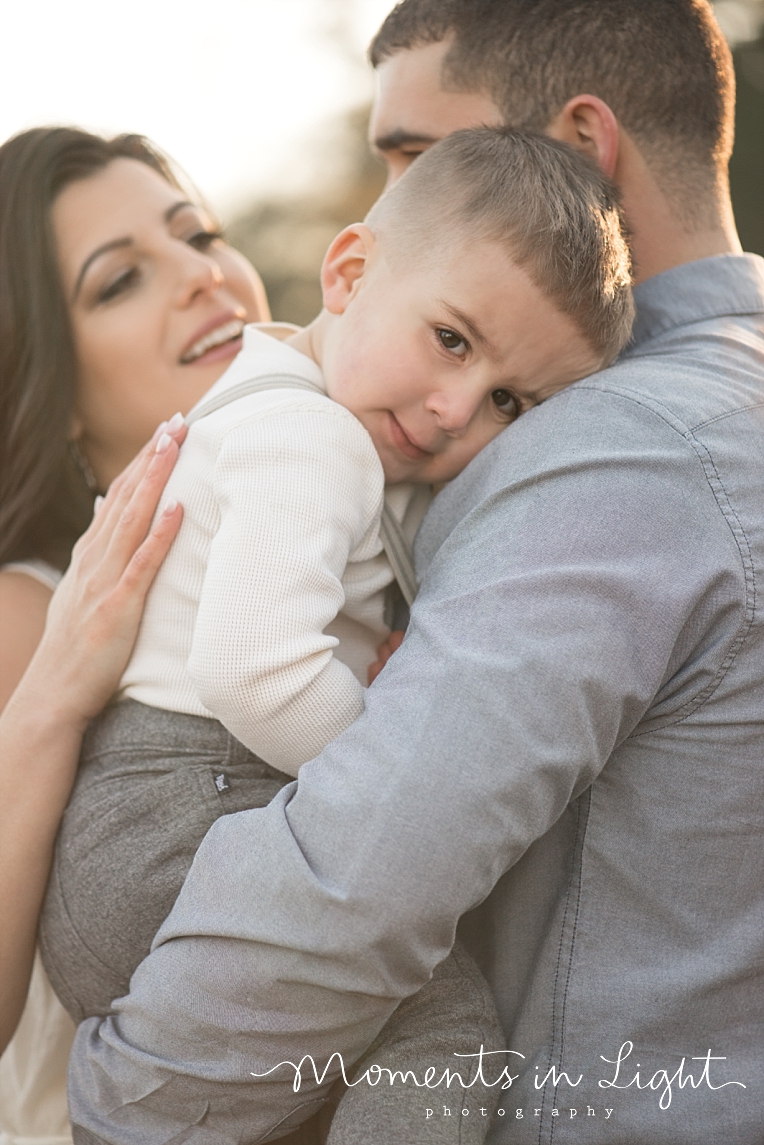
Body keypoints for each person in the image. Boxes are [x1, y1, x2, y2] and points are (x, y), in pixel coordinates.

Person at [62, 0, 764, 1142]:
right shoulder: (700, 399)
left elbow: (363, 866)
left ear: (575, 155)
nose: (385, 197)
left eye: (418, 158)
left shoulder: (623, 444)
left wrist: (109, 1100)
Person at [38, 127, 632, 1145]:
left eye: (507, 400)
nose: (454, 408)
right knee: (446, 1028)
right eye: (449, 338)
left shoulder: (283, 402)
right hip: (184, 807)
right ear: (349, 271)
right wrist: (401, 764)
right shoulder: (314, 438)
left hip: (143, 832)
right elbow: (256, 672)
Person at [0, 126, 268, 1144]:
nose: (203, 276)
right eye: (118, 283)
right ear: (51, 390)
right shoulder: (26, 611)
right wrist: (56, 694)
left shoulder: (323, 517)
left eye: (198, 233)